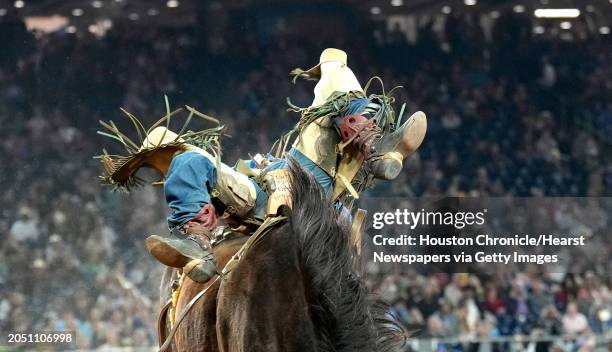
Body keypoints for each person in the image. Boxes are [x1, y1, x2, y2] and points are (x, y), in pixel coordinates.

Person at [97, 48, 427, 283]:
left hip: (295, 186)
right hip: (286, 194)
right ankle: (196, 245)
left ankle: (376, 146)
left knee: (332, 98)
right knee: (332, 94)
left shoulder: (198, 168)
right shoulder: (198, 170)